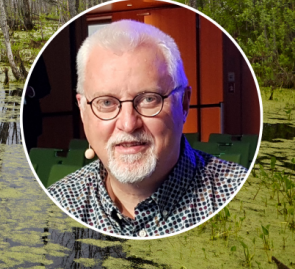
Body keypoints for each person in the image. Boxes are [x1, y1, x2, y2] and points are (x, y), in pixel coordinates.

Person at [47, 20, 247, 237]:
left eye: (149, 99)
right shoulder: (55, 205)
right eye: (106, 103)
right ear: (83, 111)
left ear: (185, 103)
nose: (128, 124)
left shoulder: (242, 197)